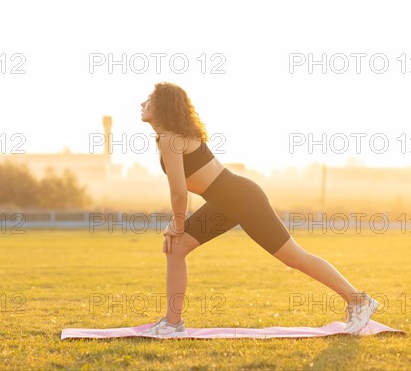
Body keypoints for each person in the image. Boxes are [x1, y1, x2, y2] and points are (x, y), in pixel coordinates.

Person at [139, 82, 378, 338]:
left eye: (149, 100)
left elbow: (179, 191)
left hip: (242, 199)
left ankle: (358, 300)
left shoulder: (170, 139)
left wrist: (177, 224)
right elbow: (184, 189)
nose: (142, 104)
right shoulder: (172, 137)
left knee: (293, 257)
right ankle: (172, 324)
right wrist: (177, 226)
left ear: (163, 106)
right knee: (176, 248)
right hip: (226, 202)